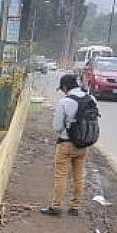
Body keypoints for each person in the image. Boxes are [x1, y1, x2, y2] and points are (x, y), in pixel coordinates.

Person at [45, 73, 95, 216]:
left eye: (62, 89)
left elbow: (57, 127)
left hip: (66, 144)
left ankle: (56, 207)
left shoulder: (64, 102)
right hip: (84, 144)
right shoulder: (91, 98)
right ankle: (75, 207)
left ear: (65, 87)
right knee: (79, 175)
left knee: (61, 175)